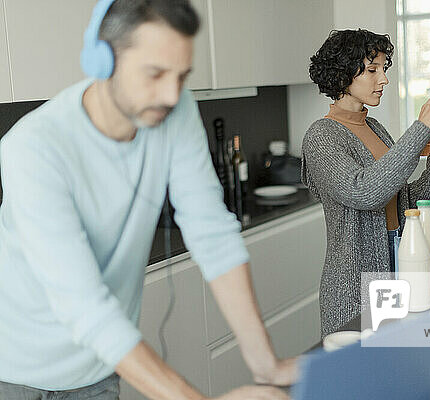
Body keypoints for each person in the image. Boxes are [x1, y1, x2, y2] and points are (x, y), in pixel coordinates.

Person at [0, 1, 295, 399]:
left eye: (181, 76)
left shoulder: (176, 110)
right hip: (16, 371)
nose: (171, 94)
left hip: (99, 369)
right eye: (155, 73)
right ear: (103, 59)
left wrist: (266, 364)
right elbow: (84, 307)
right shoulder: (33, 147)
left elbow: (212, 233)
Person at [301, 29, 430, 337]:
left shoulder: (375, 128)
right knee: (359, 377)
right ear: (343, 75)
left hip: (396, 264)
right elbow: (366, 192)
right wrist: (421, 128)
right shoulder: (321, 137)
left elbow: (405, 202)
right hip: (353, 286)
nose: (384, 79)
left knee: (391, 365)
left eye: (384, 69)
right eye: (372, 70)